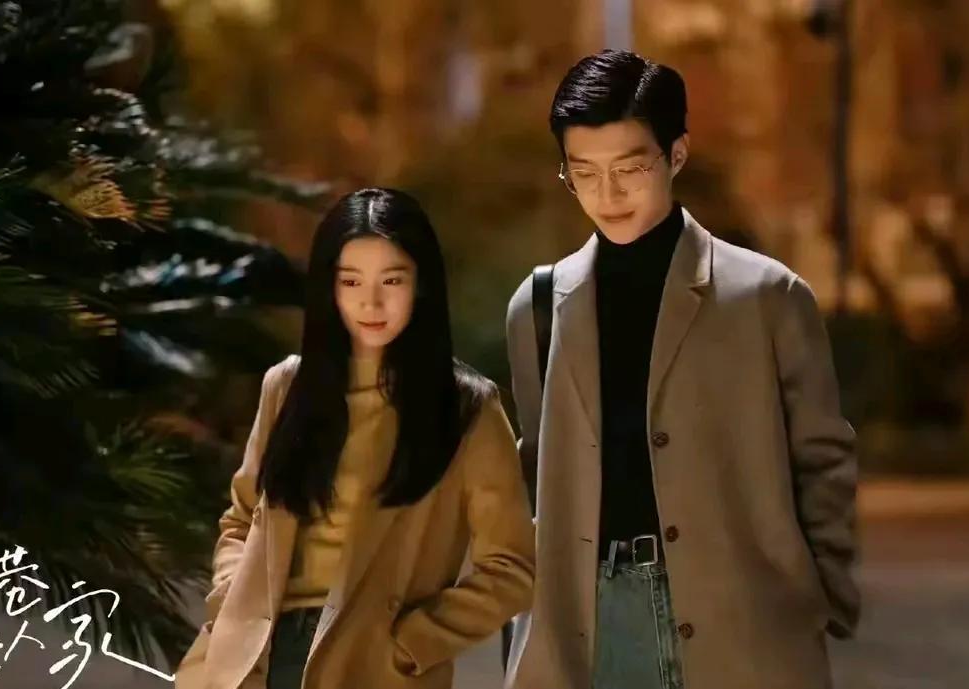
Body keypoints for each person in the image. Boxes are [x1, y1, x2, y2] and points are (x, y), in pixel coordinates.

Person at [504, 50, 860, 689]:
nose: (608, 194)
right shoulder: (538, 307)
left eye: (630, 168)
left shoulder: (766, 297)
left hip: (743, 616)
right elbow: (536, 478)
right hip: (592, 621)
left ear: (677, 154)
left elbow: (824, 459)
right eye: (584, 173)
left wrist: (815, 597)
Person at [174, 188, 535, 689]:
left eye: (392, 279)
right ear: (329, 287)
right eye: (350, 281)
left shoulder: (467, 409)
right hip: (251, 658)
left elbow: (512, 569)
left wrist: (412, 643)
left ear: (422, 284)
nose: (371, 301)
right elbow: (240, 520)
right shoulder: (287, 387)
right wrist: (230, 600)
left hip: (372, 663)